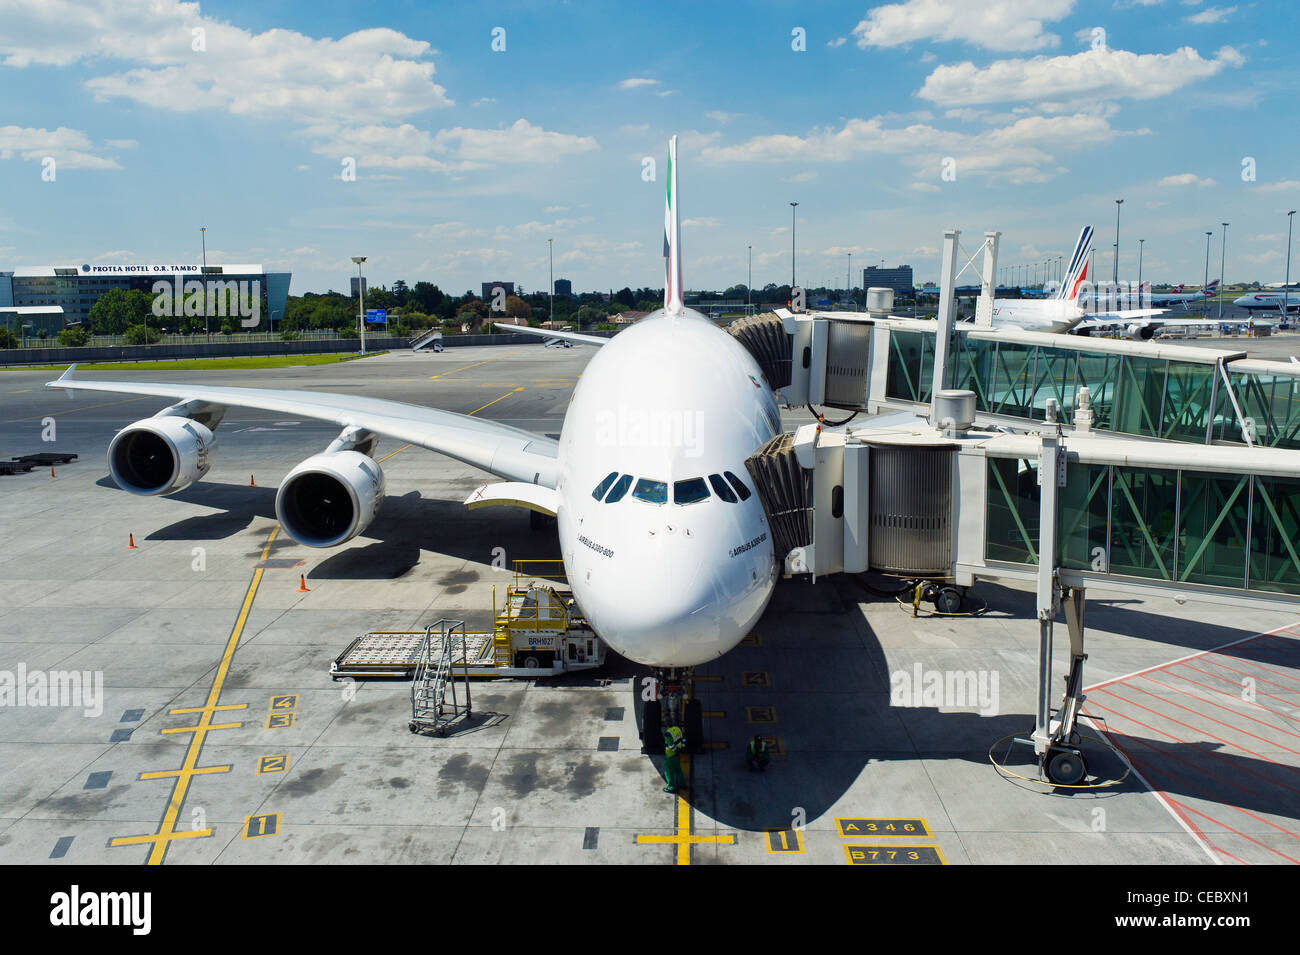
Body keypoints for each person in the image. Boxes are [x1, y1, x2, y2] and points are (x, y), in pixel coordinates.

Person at [662, 724, 688, 793]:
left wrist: (675, 751)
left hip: (670, 755)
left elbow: (670, 745)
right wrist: (682, 748)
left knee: (668, 771)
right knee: (678, 770)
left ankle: (671, 787)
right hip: (677, 755)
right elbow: (683, 740)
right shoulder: (678, 729)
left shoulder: (668, 733)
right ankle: (683, 785)